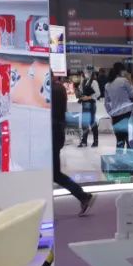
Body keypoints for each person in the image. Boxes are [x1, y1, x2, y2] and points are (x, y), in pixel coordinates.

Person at [51, 76, 94, 215]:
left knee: (54, 173)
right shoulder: (60, 88)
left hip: (51, 133)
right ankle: (82, 196)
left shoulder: (50, 90)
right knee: (55, 173)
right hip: (57, 132)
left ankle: (83, 196)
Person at [104, 62, 133, 151]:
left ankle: (119, 158)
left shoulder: (107, 85)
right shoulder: (124, 81)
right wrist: (130, 81)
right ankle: (130, 158)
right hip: (127, 114)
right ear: (121, 71)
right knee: (129, 139)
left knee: (119, 140)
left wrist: (111, 113)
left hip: (115, 116)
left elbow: (106, 103)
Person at [77, 66, 100, 147]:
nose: (85, 73)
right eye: (84, 71)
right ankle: (84, 141)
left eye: (86, 71)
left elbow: (98, 94)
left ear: (90, 72)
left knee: (92, 122)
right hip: (84, 104)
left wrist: (88, 97)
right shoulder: (84, 81)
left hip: (90, 104)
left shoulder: (94, 82)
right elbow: (81, 90)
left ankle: (95, 141)